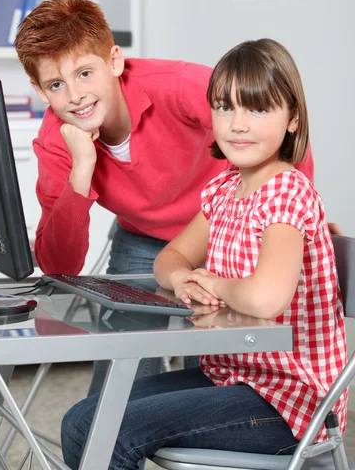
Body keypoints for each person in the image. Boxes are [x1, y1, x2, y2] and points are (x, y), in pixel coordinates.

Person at [60, 38, 348, 470]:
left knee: (112, 433)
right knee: (81, 421)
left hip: (289, 402)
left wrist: (210, 281)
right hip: (232, 376)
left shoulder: (287, 193)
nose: (238, 124)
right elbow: (169, 257)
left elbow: (266, 298)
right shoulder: (225, 189)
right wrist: (181, 278)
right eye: (224, 107)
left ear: (292, 120)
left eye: (258, 109)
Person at [14, 0, 314, 390]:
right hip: (141, 238)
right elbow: (58, 264)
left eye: (85, 73)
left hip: (221, 228)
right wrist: (82, 169)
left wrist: (299, 217)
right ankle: (119, 440)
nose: (75, 96)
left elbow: (276, 141)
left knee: (210, 359)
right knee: (121, 367)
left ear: (115, 61)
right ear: (39, 91)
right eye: (56, 84)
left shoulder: (184, 85)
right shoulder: (56, 141)